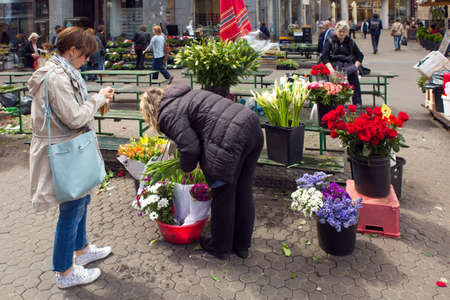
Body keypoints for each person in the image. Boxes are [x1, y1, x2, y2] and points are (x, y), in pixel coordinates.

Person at [27, 26, 115, 289]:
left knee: (81, 200)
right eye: (85, 55)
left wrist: (94, 100)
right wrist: (97, 99)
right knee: (71, 209)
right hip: (66, 151)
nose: (87, 60)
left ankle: (82, 249)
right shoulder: (56, 77)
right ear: (73, 50)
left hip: (72, 147)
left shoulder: (61, 71)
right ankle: (65, 272)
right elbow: (75, 117)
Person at [139, 85, 264, 259]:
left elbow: (190, 147)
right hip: (252, 126)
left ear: (150, 109)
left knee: (223, 194)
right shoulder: (186, 94)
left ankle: (221, 248)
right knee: (243, 190)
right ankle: (242, 247)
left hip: (229, 137)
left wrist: (185, 168)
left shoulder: (167, 113)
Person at [321, 20, 364, 106]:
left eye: (344, 32)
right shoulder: (330, 40)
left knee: (353, 75)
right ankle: (334, 101)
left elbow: (360, 55)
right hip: (333, 64)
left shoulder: (350, 42)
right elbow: (324, 57)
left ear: (347, 32)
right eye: (340, 31)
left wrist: (356, 66)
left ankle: (357, 102)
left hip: (348, 64)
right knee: (334, 76)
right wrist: (331, 69)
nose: (341, 34)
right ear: (336, 31)